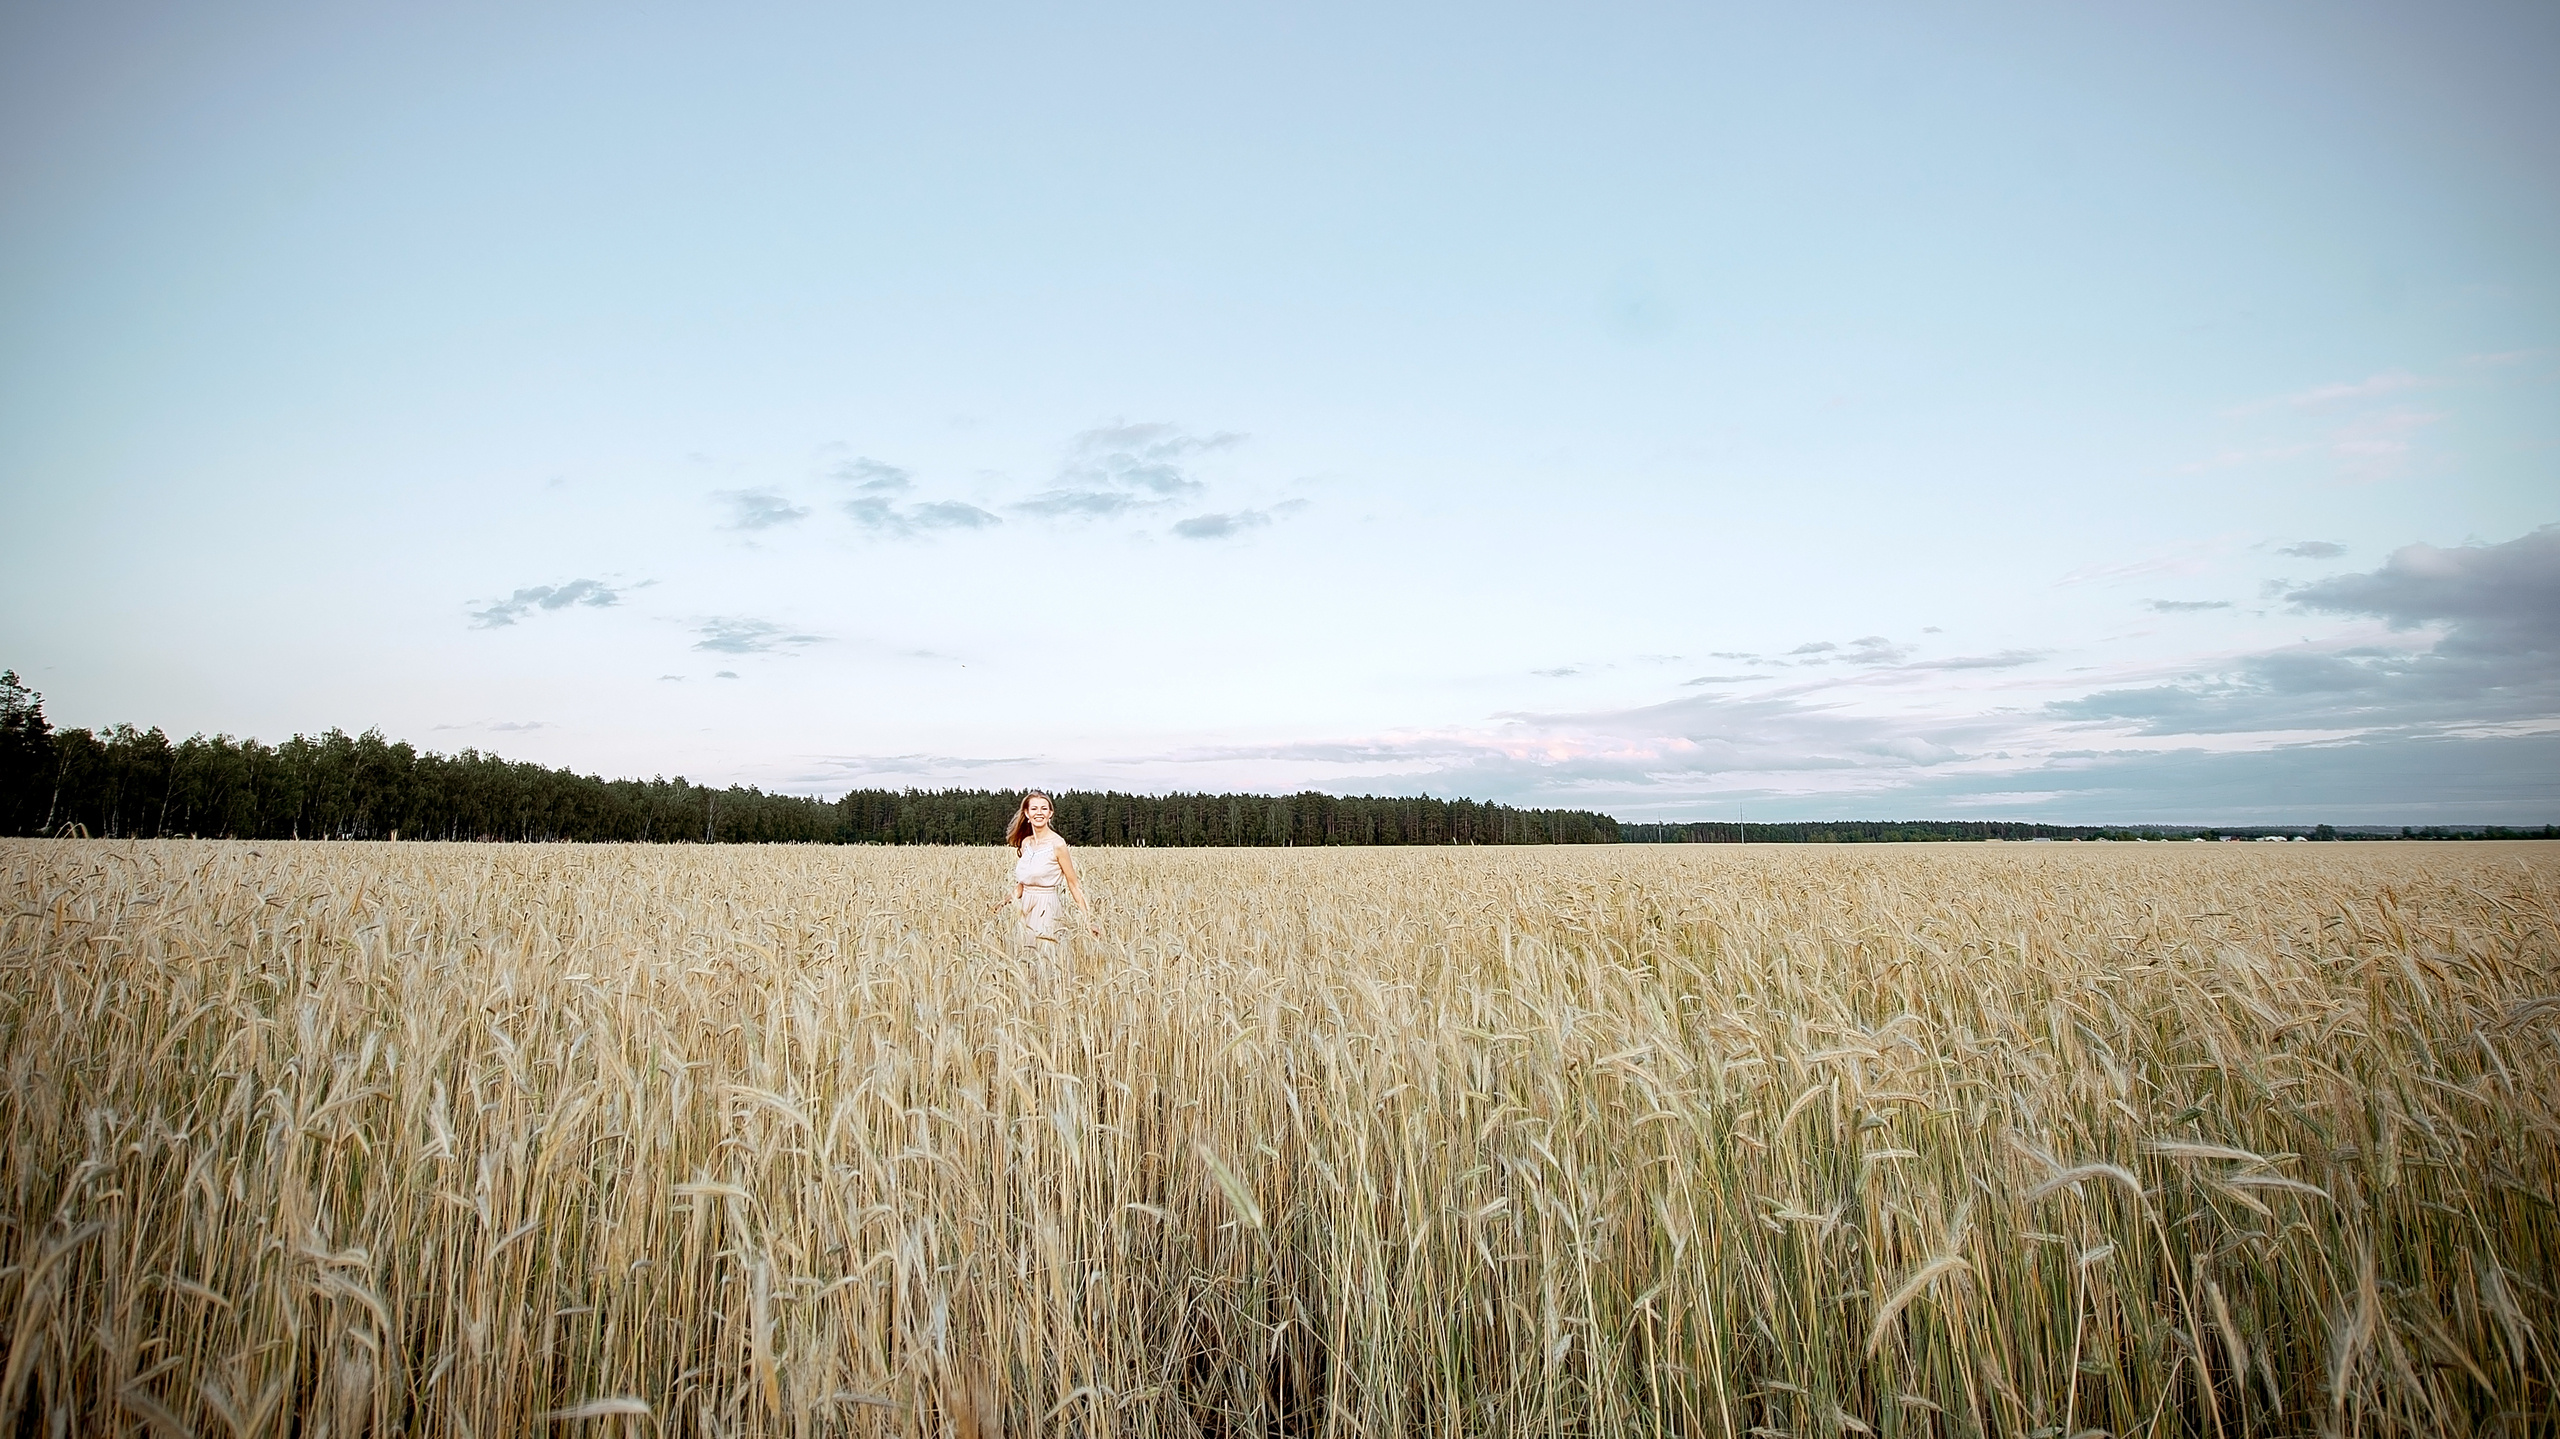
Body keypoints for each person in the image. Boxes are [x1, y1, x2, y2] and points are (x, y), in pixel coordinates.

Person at [1003, 791, 1099, 946]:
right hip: (1024, 909)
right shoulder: (1026, 843)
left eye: (1044, 809)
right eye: (1034, 809)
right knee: (1023, 957)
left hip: (1046, 907)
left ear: (1050, 814)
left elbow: (1073, 884)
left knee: (1046, 957)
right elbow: (1023, 884)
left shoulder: (1058, 844)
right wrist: (1002, 903)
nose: (1039, 813)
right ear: (1027, 813)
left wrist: (1088, 920)